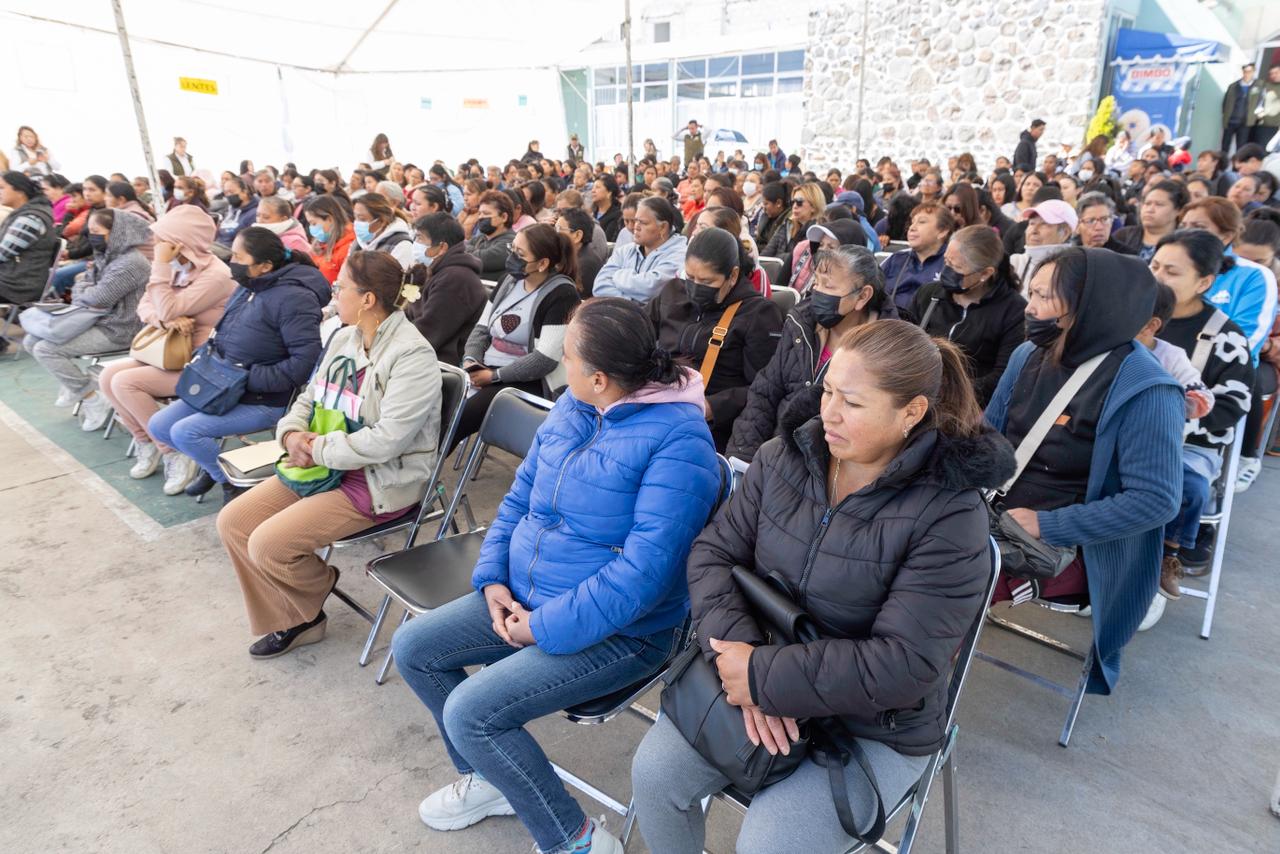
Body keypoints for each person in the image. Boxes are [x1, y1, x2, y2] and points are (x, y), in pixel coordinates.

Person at [633, 319, 1015, 854]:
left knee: (769, 846)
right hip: (750, 667)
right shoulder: (785, 456)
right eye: (828, 390)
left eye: (852, 403)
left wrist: (764, 677)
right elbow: (714, 553)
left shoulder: (950, 514)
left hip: (870, 723)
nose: (828, 413)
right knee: (654, 778)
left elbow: (904, 664)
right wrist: (740, 659)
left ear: (911, 412)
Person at [393, 297, 719, 854]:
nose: (557, 363)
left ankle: (575, 839)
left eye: (567, 356)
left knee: (471, 713)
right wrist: (493, 579)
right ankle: (493, 778)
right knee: (414, 647)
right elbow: (520, 498)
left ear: (599, 377)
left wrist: (540, 628)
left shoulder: (680, 442)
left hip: (626, 632)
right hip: (528, 593)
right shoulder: (574, 405)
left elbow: (641, 577)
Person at [218, 250, 440, 657]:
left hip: (376, 480)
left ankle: (307, 602)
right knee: (234, 522)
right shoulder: (344, 337)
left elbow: (388, 440)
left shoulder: (412, 355)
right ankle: (299, 613)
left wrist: (316, 448)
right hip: (323, 464)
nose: (333, 295)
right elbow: (310, 398)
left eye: (340, 288)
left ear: (367, 299)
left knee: (268, 545)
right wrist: (290, 435)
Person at [986, 247, 1183, 684]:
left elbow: (1155, 502)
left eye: (1044, 297)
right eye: (1032, 292)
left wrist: (1048, 524)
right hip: (996, 515)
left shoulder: (1147, 389)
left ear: (1090, 306)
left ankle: (906, 706)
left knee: (942, 580)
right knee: (894, 542)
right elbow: (986, 437)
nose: (1029, 308)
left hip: (1077, 548)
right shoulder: (1027, 355)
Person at [148, 227, 330, 501]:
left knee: (185, 433)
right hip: (223, 386)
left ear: (264, 266)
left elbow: (304, 363)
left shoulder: (295, 298)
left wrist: (249, 378)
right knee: (159, 425)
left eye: (237, 257)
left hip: (263, 399)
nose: (231, 262)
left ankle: (232, 485)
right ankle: (216, 470)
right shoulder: (248, 287)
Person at [83, 207, 237, 489]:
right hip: (170, 354)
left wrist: (162, 272)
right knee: (108, 377)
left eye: (162, 240)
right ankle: (146, 441)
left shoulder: (216, 275)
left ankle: (173, 451)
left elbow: (165, 306)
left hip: (204, 364)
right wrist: (165, 321)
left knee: (126, 383)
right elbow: (145, 307)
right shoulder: (178, 267)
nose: (155, 245)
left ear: (181, 242)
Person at [1148, 230, 1254, 592]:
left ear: (1204, 282)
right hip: (1128, 432)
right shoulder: (1132, 315)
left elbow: (1232, 405)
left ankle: (1166, 555)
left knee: (1184, 483)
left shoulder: (1226, 337)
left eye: (1172, 271)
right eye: (1155, 265)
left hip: (1190, 444)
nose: (1158, 277)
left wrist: (1171, 417)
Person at [727, 245, 885, 461]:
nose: (817, 292)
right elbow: (764, 393)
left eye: (828, 286)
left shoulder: (883, 351)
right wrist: (742, 456)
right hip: (773, 452)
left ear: (863, 296)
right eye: (816, 283)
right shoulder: (800, 326)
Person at [644, 227, 782, 450]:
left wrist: (713, 407)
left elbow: (764, 386)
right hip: (658, 401)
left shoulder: (758, 314)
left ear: (733, 276)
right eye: (690, 277)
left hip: (710, 421)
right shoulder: (673, 291)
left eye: (707, 282)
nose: (695, 287)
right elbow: (637, 330)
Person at [458, 223, 581, 440]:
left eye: (520, 254)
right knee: (441, 398)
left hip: (529, 379)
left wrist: (494, 376)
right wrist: (471, 362)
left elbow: (544, 360)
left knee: (461, 414)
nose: (512, 257)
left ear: (542, 264)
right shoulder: (509, 281)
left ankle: (430, 459)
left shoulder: (562, 294)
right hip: (486, 370)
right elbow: (481, 329)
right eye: (512, 249)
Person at [22, 209, 149, 404]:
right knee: (31, 341)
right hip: (96, 321)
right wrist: (84, 288)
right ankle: (78, 387)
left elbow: (98, 299)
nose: (91, 236)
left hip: (119, 329)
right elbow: (84, 287)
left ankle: (92, 397)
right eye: (90, 231)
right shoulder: (106, 255)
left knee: (46, 349)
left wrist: (82, 289)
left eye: (96, 231)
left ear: (117, 232)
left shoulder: (131, 263)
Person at [904, 223, 1026, 407]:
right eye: (946, 262)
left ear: (985, 273)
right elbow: (904, 341)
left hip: (971, 405)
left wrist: (949, 393)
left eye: (956, 267)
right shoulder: (930, 295)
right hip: (918, 393)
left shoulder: (1013, 310)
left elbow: (1003, 375)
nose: (947, 271)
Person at [1179, 196, 1277, 359]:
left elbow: (1246, 339)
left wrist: (1188, 367)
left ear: (1226, 236)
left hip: (1219, 368)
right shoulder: (1168, 266)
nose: (1186, 233)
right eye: (1183, 226)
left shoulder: (1255, 276)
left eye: (1199, 227)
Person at [404, 212, 487, 366]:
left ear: (442, 247)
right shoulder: (435, 270)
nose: (415, 243)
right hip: (423, 353)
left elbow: (428, 332)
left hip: (439, 362)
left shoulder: (455, 280)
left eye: (420, 238)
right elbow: (409, 313)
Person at [593, 196, 687, 302]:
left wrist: (618, 275)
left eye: (643, 223)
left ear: (663, 227)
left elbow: (650, 289)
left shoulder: (680, 255)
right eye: (636, 221)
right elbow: (599, 286)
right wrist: (633, 302)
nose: (636, 227)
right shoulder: (625, 251)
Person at [881, 201, 955, 312]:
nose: (912, 228)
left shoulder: (952, 264)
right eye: (912, 222)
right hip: (891, 320)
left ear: (942, 231)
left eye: (922, 222)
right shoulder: (896, 259)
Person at [0, 171, 59, 308]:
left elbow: (2, 254)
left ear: (20, 191)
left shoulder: (30, 219)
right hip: (13, 279)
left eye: (2, 188)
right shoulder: (27, 213)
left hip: (17, 287)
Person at [1112, 179, 1187, 263]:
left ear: (1178, 210)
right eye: (1147, 203)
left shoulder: (1185, 244)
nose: (1150, 209)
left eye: (1159, 204)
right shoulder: (1123, 236)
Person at [763, 182, 823, 285]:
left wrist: (778, 258)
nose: (795, 206)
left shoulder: (818, 232)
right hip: (777, 280)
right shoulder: (787, 224)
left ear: (813, 206)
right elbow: (766, 254)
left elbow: (803, 261)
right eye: (792, 202)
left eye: (799, 202)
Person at [1010, 198, 1078, 281]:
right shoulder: (1015, 263)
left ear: (1065, 233)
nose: (1034, 230)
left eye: (1044, 224)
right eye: (1032, 223)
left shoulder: (1073, 270)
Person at [350, 192, 414, 269]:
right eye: (355, 217)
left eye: (362, 219)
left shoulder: (401, 245)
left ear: (381, 221)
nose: (357, 223)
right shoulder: (358, 242)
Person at [305, 195, 356, 285]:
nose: (311, 228)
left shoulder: (349, 248)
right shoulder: (320, 243)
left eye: (314, 223)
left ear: (330, 219)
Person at [465, 190, 518, 276]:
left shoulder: (512, 241)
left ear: (504, 217)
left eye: (486, 213)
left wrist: (471, 251)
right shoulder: (481, 237)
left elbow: (482, 260)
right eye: (479, 213)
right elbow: (460, 249)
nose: (481, 217)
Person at [556, 206, 605, 296]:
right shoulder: (570, 255)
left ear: (577, 235)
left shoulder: (587, 263)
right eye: (555, 228)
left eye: (559, 229)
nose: (555, 233)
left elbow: (572, 298)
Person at [1222, 64, 1260, 155]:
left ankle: (1237, 164)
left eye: (1250, 71)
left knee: (1241, 147)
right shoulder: (1233, 86)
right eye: (1245, 71)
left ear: (1253, 72)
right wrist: (1226, 115)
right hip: (1231, 121)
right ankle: (1222, 162)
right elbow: (1225, 103)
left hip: (1245, 122)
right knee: (1225, 145)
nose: (1247, 74)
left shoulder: (1258, 86)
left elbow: (1260, 102)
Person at [216, 176, 258, 248]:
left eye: (231, 192)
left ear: (244, 192)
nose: (228, 195)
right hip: (218, 246)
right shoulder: (230, 211)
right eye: (226, 193)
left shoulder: (254, 214)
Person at [754, 182, 791, 248]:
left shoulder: (787, 221)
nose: (763, 207)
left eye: (766, 204)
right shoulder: (765, 217)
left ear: (778, 203)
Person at [1253, 65, 1280, 149]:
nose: (1273, 75)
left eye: (1276, 73)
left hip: (1276, 126)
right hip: (1264, 125)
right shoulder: (1265, 86)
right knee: (1261, 149)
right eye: (1271, 73)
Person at [591, 174, 623, 241]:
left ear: (609, 193)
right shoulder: (593, 213)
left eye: (597, 187)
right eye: (593, 187)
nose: (593, 191)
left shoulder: (618, 215)